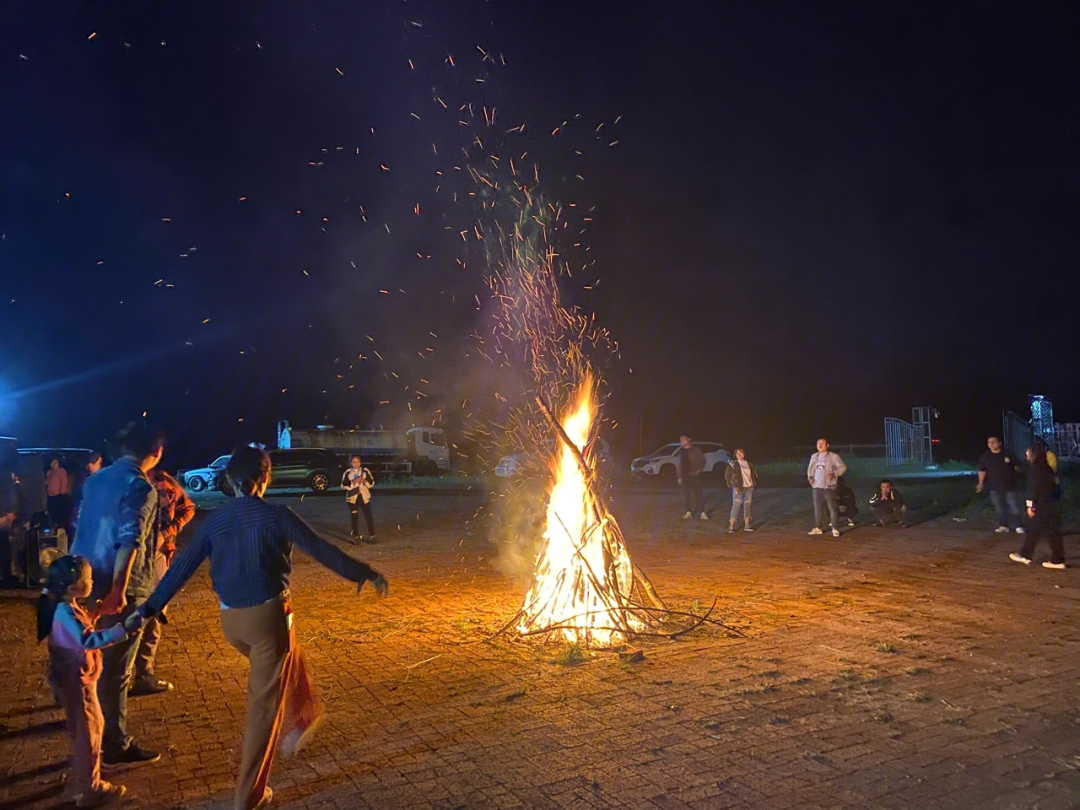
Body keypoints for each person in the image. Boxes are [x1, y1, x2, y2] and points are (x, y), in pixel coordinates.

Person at [138, 445, 388, 810]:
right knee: (263, 709)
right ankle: (249, 797)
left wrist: (149, 608)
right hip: (268, 618)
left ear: (229, 480)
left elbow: (180, 570)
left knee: (287, 652)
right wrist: (362, 572)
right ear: (265, 479)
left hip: (231, 621)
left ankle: (305, 713)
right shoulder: (277, 516)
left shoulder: (214, 522)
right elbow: (319, 548)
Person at [70, 423, 164, 767]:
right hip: (118, 584)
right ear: (156, 452)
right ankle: (113, 744)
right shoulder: (139, 486)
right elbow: (131, 540)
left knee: (90, 661)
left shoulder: (96, 480)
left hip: (84, 578)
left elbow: (81, 526)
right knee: (116, 669)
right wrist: (119, 591)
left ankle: (87, 731)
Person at [37, 554, 144, 808]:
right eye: (89, 578)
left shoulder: (65, 606)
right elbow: (87, 640)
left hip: (78, 679)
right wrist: (123, 630)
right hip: (78, 681)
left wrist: (96, 613)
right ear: (74, 587)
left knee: (87, 729)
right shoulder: (65, 613)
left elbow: (80, 633)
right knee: (90, 732)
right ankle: (90, 788)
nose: (93, 580)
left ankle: (84, 779)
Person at [129, 469, 194, 696]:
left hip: (156, 556)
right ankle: (124, 676)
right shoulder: (124, 481)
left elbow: (188, 508)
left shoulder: (162, 481)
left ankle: (143, 673)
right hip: (129, 556)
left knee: (154, 614)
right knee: (130, 613)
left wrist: (167, 532)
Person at [1010, 443, 1065, 569]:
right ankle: (1028, 555)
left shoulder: (1035, 469)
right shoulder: (1048, 469)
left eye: (1028, 451)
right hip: (1052, 505)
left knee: (1038, 530)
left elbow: (1032, 489)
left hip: (1042, 506)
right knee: (1047, 532)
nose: (1026, 453)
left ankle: (1054, 559)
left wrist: (1030, 506)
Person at [977, 435, 1023, 534]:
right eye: (989, 442)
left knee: (1013, 505)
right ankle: (1003, 525)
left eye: (993, 442)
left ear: (999, 443)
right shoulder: (986, 456)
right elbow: (982, 470)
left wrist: (1010, 464)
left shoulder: (1008, 453)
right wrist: (980, 483)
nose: (991, 444)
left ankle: (1018, 525)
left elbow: (1018, 468)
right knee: (999, 507)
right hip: (993, 486)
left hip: (1009, 485)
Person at [807, 438, 847, 537]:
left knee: (832, 508)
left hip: (829, 487)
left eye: (822, 443)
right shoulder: (814, 456)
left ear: (827, 445)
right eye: (818, 443)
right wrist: (810, 477)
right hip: (816, 486)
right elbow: (810, 469)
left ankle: (835, 528)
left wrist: (834, 474)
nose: (820, 445)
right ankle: (818, 527)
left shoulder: (833, 456)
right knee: (817, 508)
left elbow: (843, 467)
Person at [341, 456, 376, 541]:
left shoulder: (365, 471)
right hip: (353, 498)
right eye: (354, 462)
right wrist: (353, 482)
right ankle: (355, 535)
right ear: (351, 463)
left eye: (357, 462)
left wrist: (364, 481)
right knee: (354, 516)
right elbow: (343, 485)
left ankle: (372, 535)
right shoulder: (348, 472)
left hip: (364, 496)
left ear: (360, 463)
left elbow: (371, 483)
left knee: (368, 516)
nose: (356, 464)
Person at [724, 448, 756, 532]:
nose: (739, 454)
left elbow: (753, 474)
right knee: (736, 505)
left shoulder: (749, 464)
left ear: (744, 454)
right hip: (739, 488)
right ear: (735, 455)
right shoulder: (733, 464)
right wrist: (733, 486)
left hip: (748, 487)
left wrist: (753, 484)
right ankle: (731, 526)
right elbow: (728, 476)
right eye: (737, 453)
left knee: (748, 505)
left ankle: (747, 524)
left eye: (741, 453)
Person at [677, 435, 707, 520]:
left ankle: (702, 512)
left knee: (698, 494)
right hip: (685, 476)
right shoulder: (681, 452)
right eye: (681, 440)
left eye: (684, 439)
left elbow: (703, 460)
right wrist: (679, 476)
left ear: (688, 440)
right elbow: (679, 465)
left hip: (695, 475)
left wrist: (699, 470)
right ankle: (688, 512)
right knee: (686, 495)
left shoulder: (696, 450)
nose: (682, 441)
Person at [46, 458, 73, 536]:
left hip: (59, 496)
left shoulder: (61, 471)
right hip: (50, 496)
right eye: (52, 462)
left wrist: (62, 492)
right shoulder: (49, 472)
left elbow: (63, 482)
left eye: (55, 462)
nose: (54, 464)